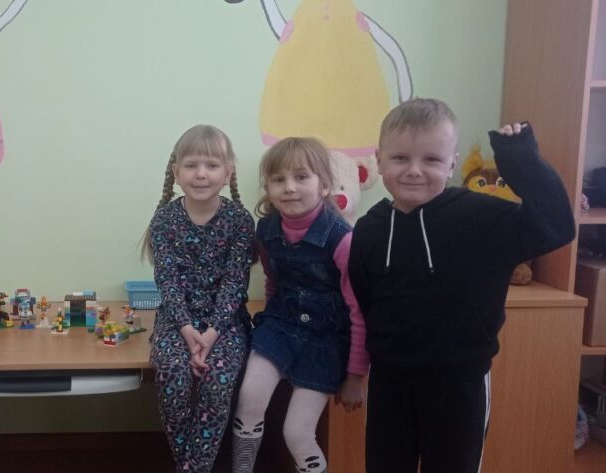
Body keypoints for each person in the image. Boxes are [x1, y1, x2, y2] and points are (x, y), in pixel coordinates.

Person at [348, 98, 575, 473]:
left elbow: (556, 226)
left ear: (452, 163)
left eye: (431, 159)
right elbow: (366, 296)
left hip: (459, 384)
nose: (414, 171)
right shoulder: (369, 229)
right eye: (400, 158)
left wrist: (520, 159)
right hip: (390, 381)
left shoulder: (482, 218)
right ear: (379, 160)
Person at [231, 137, 368, 473]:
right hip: (280, 326)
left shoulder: (342, 239)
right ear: (268, 188)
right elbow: (273, 282)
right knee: (249, 400)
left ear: (324, 185)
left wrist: (355, 376)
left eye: (301, 177)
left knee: (297, 433)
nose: (290, 187)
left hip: (325, 341)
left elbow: (359, 311)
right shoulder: (266, 230)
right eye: (279, 179)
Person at [142, 124, 255, 472]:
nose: (201, 174)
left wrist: (212, 333)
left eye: (211, 165)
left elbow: (235, 283)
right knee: (172, 377)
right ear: (177, 173)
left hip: (226, 324)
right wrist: (188, 330)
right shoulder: (164, 220)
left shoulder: (240, 221)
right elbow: (168, 281)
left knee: (217, 383)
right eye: (191, 165)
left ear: (228, 173)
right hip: (177, 322)